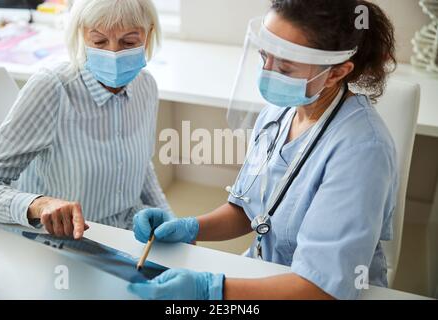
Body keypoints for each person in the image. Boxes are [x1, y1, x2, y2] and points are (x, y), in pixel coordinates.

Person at [130, 0, 398, 300]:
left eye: (284, 65)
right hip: (264, 276)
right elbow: (251, 211)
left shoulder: (362, 151)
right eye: (264, 57)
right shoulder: (278, 113)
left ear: (336, 73)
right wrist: (190, 227)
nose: (267, 73)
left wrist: (210, 290)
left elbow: (322, 289)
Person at [0, 0, 171, 239]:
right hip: (67, 240)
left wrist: (169, 219)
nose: (113, 53)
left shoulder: (146, 85)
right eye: (99, 41)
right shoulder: (53, 89)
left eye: (128, 42)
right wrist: (39, 205)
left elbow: (142, 165)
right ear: (81, 35)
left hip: (128, 234)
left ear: (148, 36)